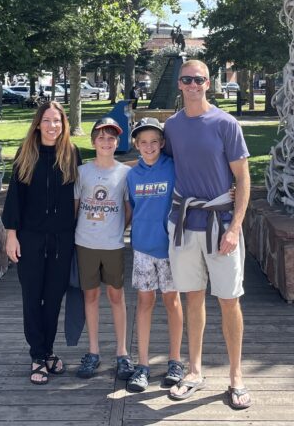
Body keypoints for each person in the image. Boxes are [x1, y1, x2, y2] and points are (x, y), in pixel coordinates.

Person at [165, 59, 252, 411]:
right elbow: (164, 164)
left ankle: (236, 376)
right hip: (186, 224)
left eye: (199, 79)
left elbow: (243, 179)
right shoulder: (172, 126)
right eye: (187, 79)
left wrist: (235, 228)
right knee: (193, 297)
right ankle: (195, 370)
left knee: (229, 300)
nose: (193, 85)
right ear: (180, 84)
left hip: (221, 225)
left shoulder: (225, 124)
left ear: (209, 83)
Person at [2, 101, 81, 385]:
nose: (52, 126)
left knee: (53, 300)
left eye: (57, 121)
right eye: (47, 121)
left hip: (62, 239)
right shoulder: (26, 155)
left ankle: (47, 351)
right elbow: (14, 199)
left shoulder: (72, 155)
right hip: (31, 238)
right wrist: (12, 235)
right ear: (38, 124)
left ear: (64, 125)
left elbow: (78, 198)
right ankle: (37, 355)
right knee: (32, 298)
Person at [124, 117, 184, 393]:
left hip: (170, 248)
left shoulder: (173, 168)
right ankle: (144, 364)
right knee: (145, 302)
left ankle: (175, 360)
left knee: (172, 301)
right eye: (143, 142)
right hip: (142, 249)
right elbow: (133, 209)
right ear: (136, 145)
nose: (149, 147)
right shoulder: (133, 175)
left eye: (154, 142)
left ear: (162, 144)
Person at [73, 117, 133, 380]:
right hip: (85, 242)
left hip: (113, 244)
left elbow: (128, 209)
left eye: (111, 138)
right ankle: (93, 351)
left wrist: (117, 227)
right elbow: (75, 207)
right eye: (101, 137)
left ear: (117, 142)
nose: (106, 142)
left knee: (117, 296)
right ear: (93, 141)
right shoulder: (82, 172)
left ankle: (122, 352)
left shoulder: (124, 173)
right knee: (91, 297)